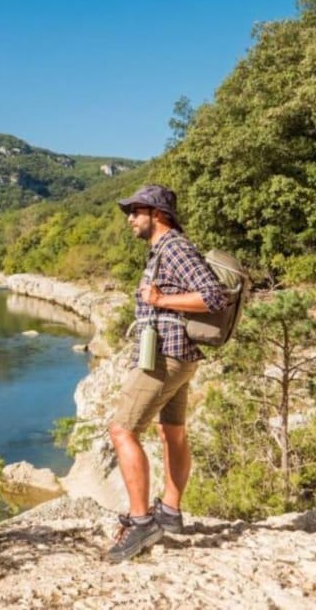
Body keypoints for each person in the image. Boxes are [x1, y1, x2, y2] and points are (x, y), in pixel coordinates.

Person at [105, 184, 228, 564]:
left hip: (166, 357)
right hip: (178, 354)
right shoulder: (163, 250)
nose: (129, 219)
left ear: (157, 214)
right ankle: (170, 511)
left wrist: (158, 300)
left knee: (122, 429)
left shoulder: (174, 247)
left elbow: (213, 296)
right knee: (171, 430)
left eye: (135, 211)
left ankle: (142, 522)